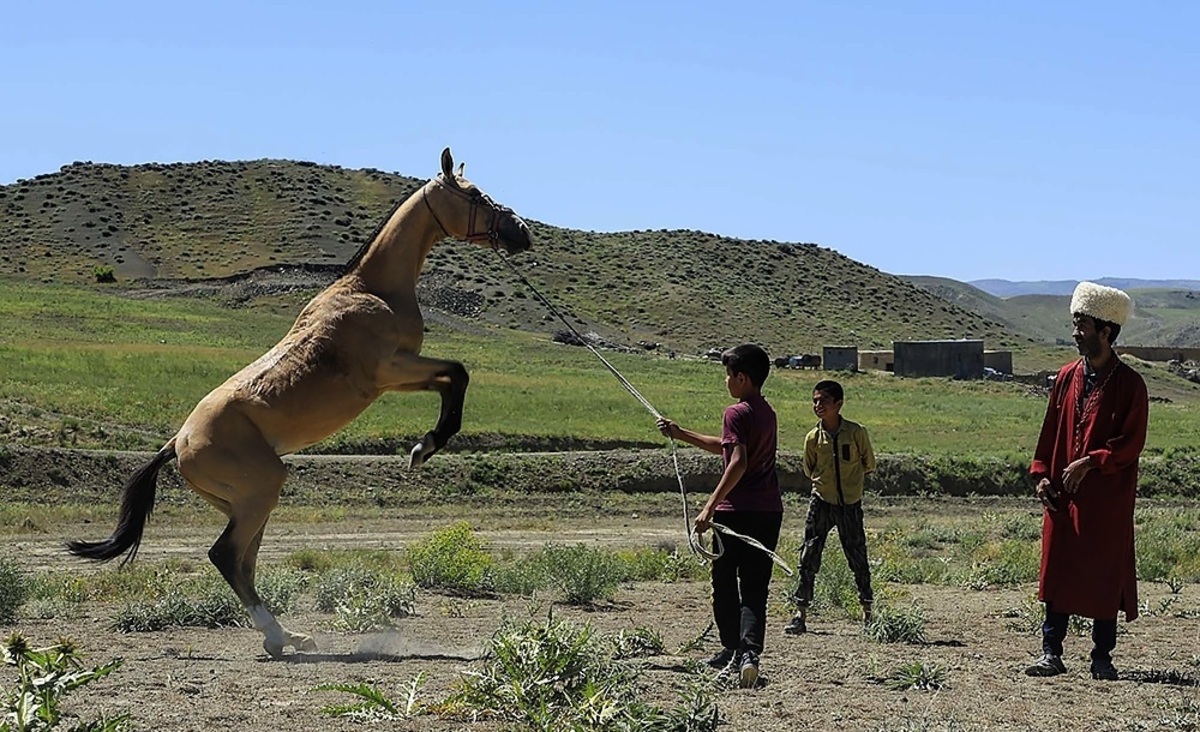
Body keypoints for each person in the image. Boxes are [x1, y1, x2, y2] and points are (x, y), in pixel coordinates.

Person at [1025, 281, 1149, 681]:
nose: (1076, 332)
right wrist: (1042, 475)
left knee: (1103, 572)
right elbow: (1047, 434)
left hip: (1106, 499)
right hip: (1063, 495)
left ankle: (1102, 657)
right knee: (1058, 567)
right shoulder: (1064, 377)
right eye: (1075, 324)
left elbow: (1130, 443)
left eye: (1082, 325)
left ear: (1106, 332)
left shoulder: (1131, 385)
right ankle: (1051, 652)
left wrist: (1092, 462)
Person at [657, 343, 782, 689]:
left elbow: (737, 461)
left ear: (741, 378)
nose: (726, 381)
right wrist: (680, 434)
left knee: (725, 584)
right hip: (769, 512)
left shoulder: (735, 412)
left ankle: (731, 649)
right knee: (755, 588)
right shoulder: (766, 412)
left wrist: (710, 506)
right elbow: (726, 447)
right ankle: (748, 656)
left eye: (728, 375)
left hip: (737, 512)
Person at [784, 379, 875, 635]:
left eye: (823, 400)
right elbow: (809, 468)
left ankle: (868, 614)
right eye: (815, 400)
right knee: (809, 555)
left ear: (838, 403)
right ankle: (800, 613)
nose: (818, 405)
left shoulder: (857, 433)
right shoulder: (813, 438)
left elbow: (868, 463)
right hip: (821, 502)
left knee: (858, 556)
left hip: (850, 505)